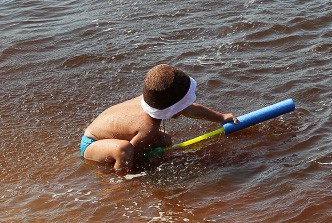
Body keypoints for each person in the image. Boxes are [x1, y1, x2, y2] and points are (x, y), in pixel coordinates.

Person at [80, 64, 237, 172]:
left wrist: (222, 118)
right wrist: (136, 167)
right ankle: (121, 181)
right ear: (173, 111)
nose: (184, 111)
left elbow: (191, 110)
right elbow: (131, 153)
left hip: (109, 137)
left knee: (165, 140)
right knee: (124, 151)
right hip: (92, 144)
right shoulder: (148, 127)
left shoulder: (153, 101)